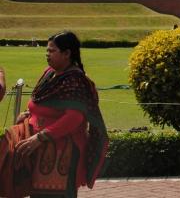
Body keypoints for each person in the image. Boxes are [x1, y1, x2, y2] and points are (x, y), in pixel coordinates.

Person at [0, 31, 108, 198]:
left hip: (62, 151)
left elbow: (74, 118)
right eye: (47, 50)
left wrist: (39, 138)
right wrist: (29, 115)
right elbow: (42, 104)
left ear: (66, 54)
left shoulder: (75, 80)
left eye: (52, 51)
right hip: (39, 148)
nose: (47, 54)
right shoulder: (50, 72)